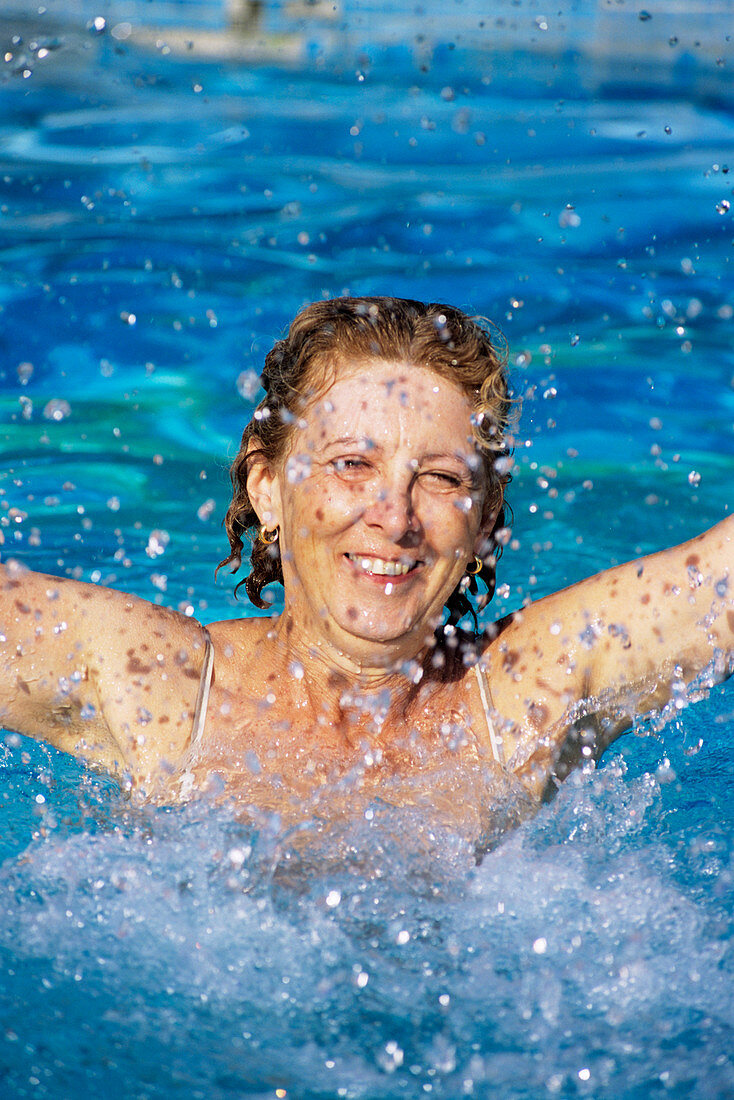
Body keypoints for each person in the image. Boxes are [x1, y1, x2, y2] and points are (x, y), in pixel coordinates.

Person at [1, 297, 732, 844]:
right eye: (354, 465)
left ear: (483, 522)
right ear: (267, 488)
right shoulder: (154, 683)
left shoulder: (529, 689)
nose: (396, 516)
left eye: (443, 479)